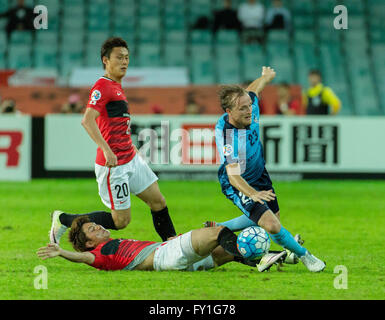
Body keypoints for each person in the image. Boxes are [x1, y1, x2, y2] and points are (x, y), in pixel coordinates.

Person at [49, 37, 177, 245]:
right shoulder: (103, 86)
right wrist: (107, 150)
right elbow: (87, 120)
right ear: (105, 60)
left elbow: (115, 124)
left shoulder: (117, 86)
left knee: (158, 201)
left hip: (131, 158)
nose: (124, 62)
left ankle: (173, 246)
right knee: (121, 220)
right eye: (119, 58)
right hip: (114, 165)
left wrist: (129, 144)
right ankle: (63, 219)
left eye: (127, 58)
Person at [205, 66, 326, 272]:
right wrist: (253, 194)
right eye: (242, 108)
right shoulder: (228, 137)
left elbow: (252, 90)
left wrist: (265, 78)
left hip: (259, 174)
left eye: (249, 105)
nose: (249, 110)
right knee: (271, 225)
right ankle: (306, 257)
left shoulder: (250, 107)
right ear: (229, 112)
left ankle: (221, 227)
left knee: (272, 220)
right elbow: (233, 176)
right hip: (238, 182)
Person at [38, 216, 288, 272]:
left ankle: (281, 256)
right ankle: (261, 257)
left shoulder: (117, 243)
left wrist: (170, 241)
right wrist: (62, 252)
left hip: (172, 258)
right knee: (219, 232)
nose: (101, 227)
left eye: (96, 225)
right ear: (89, 242)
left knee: (226, 251)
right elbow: (84, 258)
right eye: (94, 229)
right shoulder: (100, 255)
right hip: (166, 258)